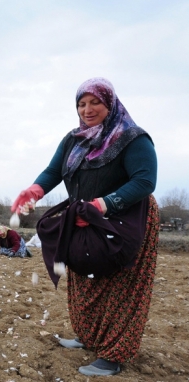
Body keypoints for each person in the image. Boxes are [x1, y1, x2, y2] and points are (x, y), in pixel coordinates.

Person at [11, 78, 158, 376]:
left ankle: (113, 354)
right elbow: (54, 171)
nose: (87, 109)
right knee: (84, 276)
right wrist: (34, 191)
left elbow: (144, 181)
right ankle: (89, 336)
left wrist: (103, 205)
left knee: (121, 284)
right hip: (85, 214)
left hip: (126, 217)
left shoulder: (132, 138)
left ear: (110, 104)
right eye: (81, 103)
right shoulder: (73, 140)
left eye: (95, 102)